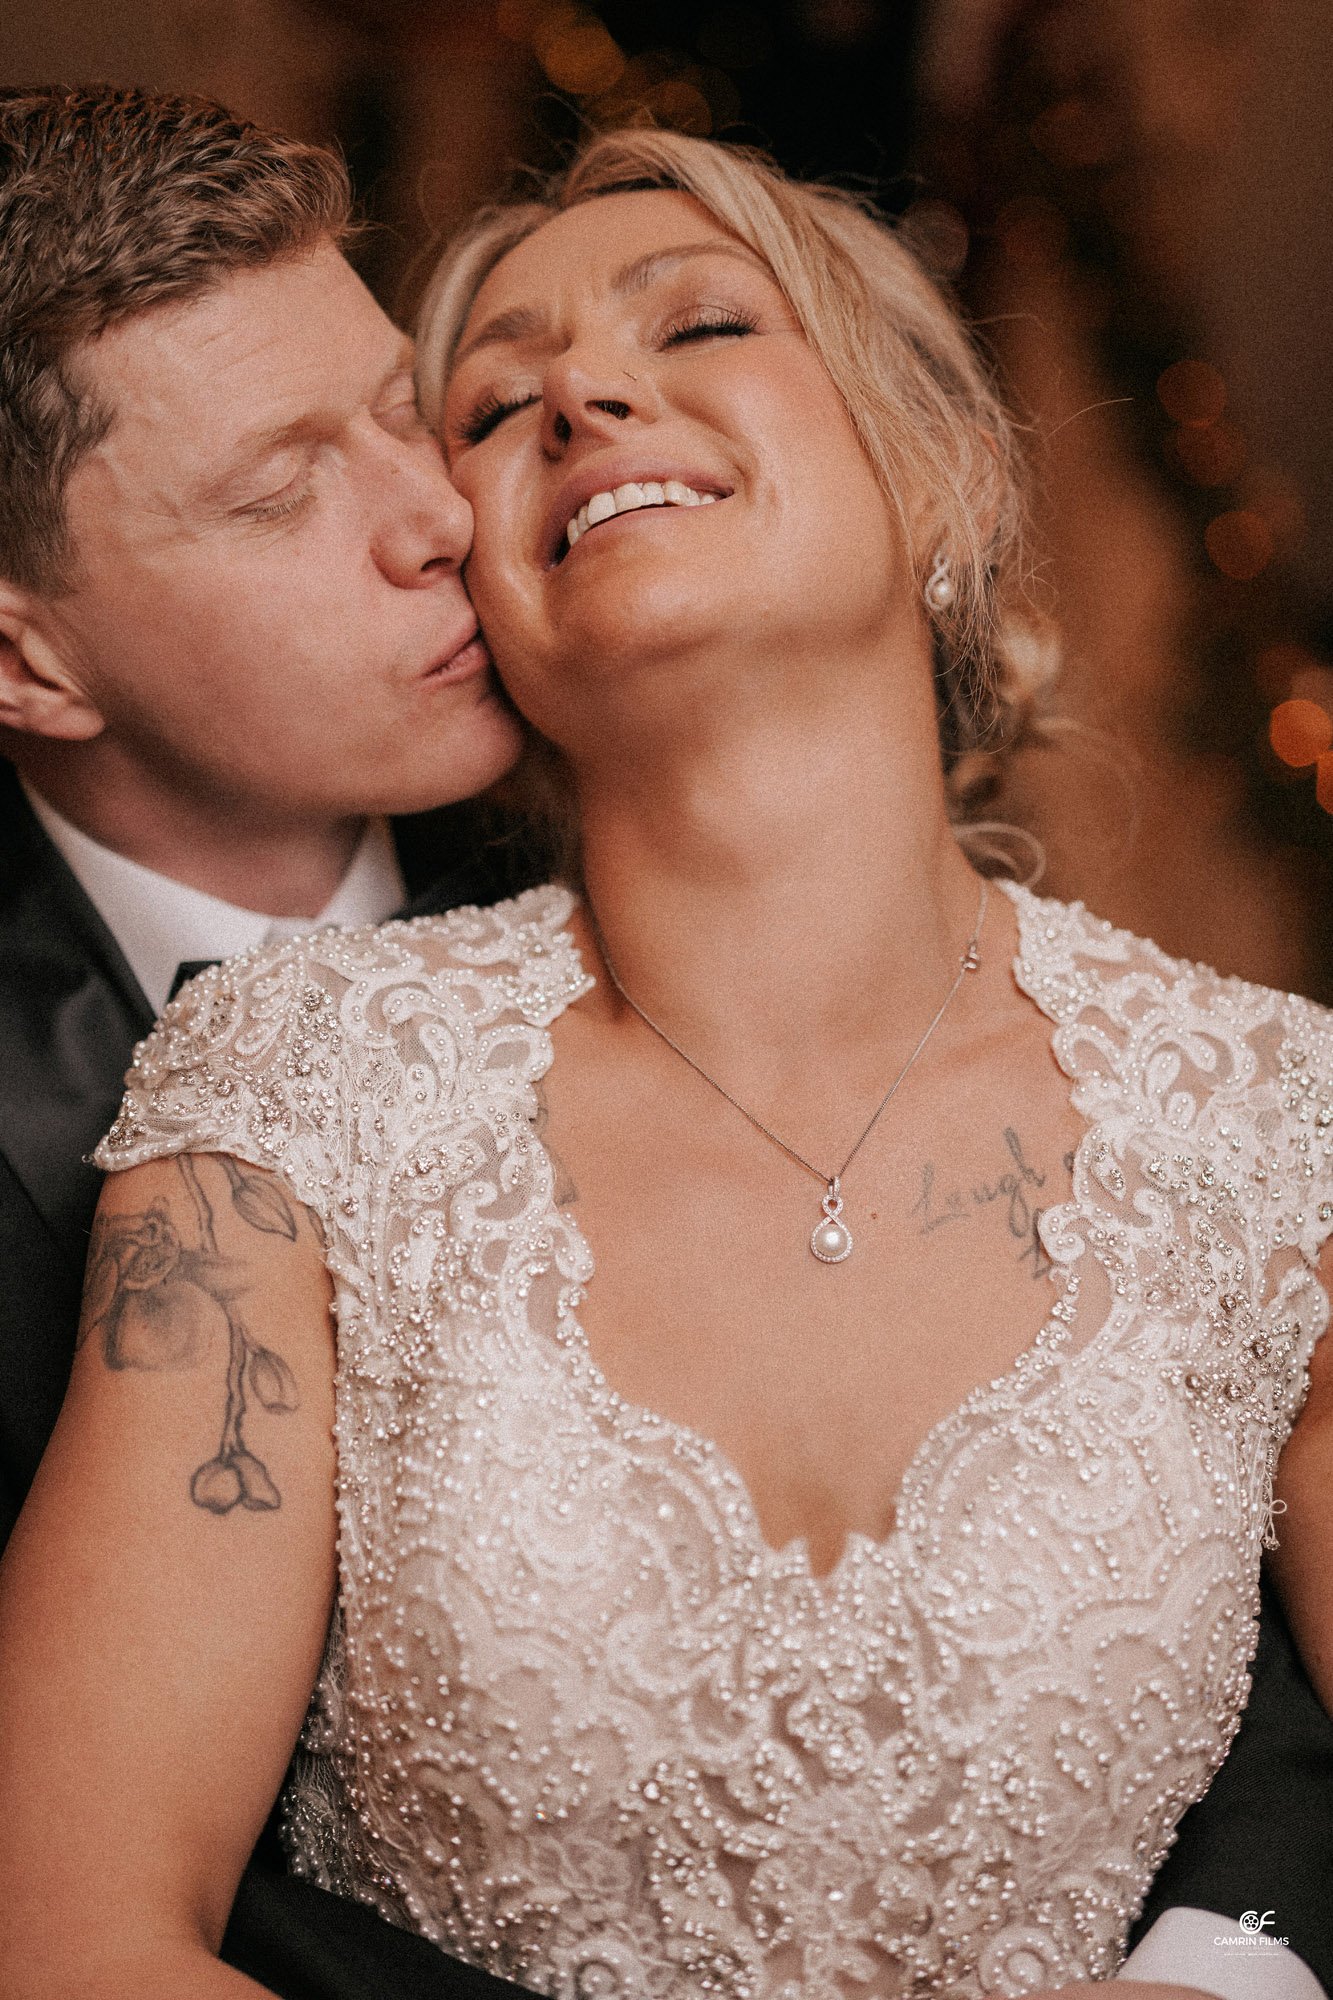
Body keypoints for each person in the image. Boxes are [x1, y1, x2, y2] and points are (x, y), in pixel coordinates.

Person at [0, 111, 1330, 2000]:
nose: (573, 404)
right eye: (493, 403)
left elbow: (1282, 1773)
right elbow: (68, 1926)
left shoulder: (1274, 1123)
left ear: (938, 469)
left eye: (698, 324)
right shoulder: (279, 1095)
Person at [0, 84, 539, 2000]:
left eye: (401, 410)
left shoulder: (658, 838)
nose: (437, 519)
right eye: (275, 490)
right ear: (26, 659)